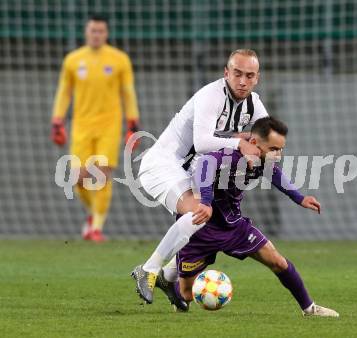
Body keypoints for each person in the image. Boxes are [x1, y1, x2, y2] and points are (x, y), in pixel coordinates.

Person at [132, 49, 268, 303]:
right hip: (161, 164)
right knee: (199, 212)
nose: (242, 81)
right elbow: (203, 142)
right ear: (226, 73)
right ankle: (148, 270)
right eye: (237, 74)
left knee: (209, 220)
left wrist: (270, 151)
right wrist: (240, 143)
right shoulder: (211, 95)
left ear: (257, 78)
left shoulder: (254, 103)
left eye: (249, 76)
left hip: (187, 171)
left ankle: (167, 275)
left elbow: (268, 137)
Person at [171, 116, 339, 317]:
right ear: (253, 144)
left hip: (233, 226)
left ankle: (309, 308)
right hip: (201, 227)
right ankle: (169, 281)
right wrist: (206, 202)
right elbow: (205, 164)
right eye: (274, 149)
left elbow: (274, 173)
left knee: (277, 261)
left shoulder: (261, 158)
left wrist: (299, 198)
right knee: (187, 294)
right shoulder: (230, 155)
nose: (278, 154)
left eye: (281, 149)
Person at [51, 15, 141, 242]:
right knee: (78, 177)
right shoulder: (73, 60)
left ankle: (96, 227)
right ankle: (94, 215)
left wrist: (133, 122)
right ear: (86, 32)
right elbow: (64, 91)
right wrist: (57, 120)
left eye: (100, 31)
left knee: (101, 175)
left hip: (109, 125)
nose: (96, 35)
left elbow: (128, 92)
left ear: (106, 33)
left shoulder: (119, 59)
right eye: (93, 30)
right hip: (81, 125)